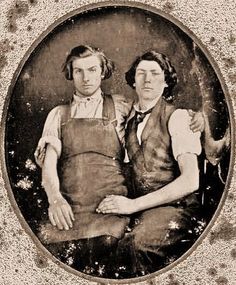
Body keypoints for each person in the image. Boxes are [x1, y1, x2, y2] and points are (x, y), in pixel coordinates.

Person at [97, 51, 203, 276]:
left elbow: (191, 181)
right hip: (138, 205)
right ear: (133, 80)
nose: (147, 80)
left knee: (136, 245)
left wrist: (132, 206)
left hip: (175, 208)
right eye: (141, 73)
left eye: (155, 74)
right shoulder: (125, 116)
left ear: (166, 82)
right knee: (98, 241)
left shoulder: (180, 118)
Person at [34, 45, 132, 276]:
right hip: (70, 207)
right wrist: (55, 199)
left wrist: (195, 118)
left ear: (102, 71)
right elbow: (48, 165)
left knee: (107, 247)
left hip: (111, 205)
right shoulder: (58, 114)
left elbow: (157, 116)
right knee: (49, 254)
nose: (86, 77)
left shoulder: (121, 106)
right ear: (71, 73)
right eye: (78, 71)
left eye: (91, 69)